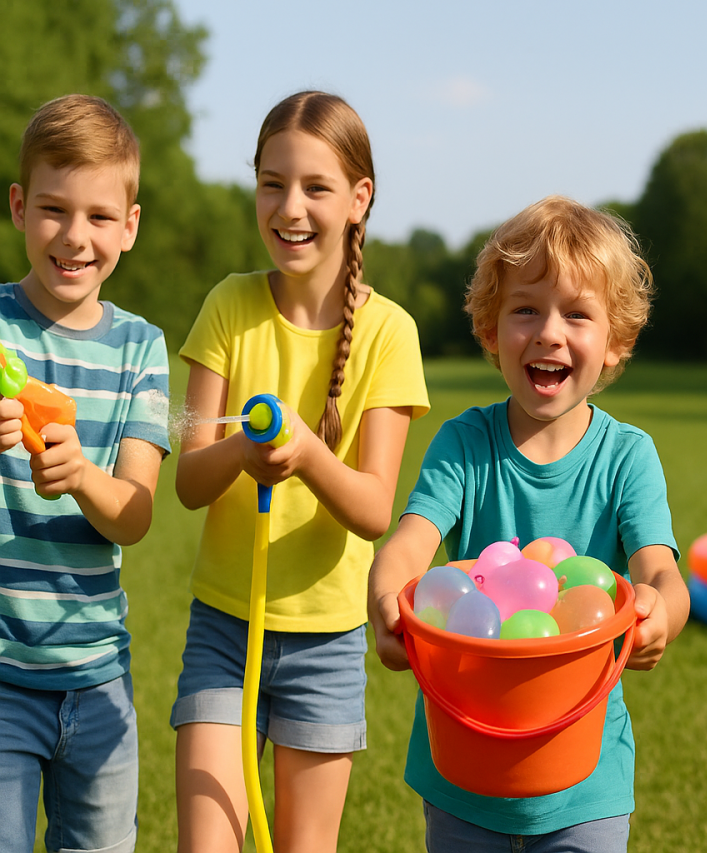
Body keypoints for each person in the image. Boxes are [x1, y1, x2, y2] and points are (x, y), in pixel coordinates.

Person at [368, 195, 689, 852]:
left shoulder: (627, 456)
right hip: (464, 770)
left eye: (577, 314)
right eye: (525, 310)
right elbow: (410, 543)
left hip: (586, 780)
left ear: (614, 342)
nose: (548, 332)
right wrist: (385, 596)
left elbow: (660, 570)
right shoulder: (464, 444)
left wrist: (663, 610)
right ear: (490, 331)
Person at [170, 91, 429, 853]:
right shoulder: (227, 305)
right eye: (272, 183)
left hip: (325, 642)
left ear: (359, 200)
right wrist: (240, 454)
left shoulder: (390, 333)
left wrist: (310, 455)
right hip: (224, 626)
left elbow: (376, 509)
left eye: (316, 187)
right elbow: (188, 477)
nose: (290, 207)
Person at [0, 94, 171, 853]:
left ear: (130, 227)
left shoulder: (142, 348)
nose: (75, 236)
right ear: (18, 207)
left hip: (99, 675)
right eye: (53, 208)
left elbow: (134, 513)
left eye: (100, 216)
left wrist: (81, 477)